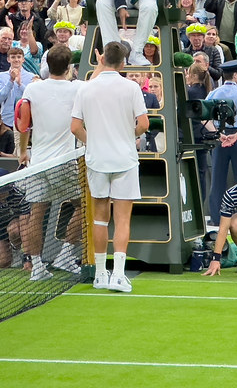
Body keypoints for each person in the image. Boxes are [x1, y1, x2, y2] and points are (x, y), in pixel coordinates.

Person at [71, 41, 148, 293]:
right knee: (122, 220)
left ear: (102, 59)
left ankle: (101, 275)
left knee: (100, 220)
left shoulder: (86, 89)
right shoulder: (131, 87)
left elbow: (75, 127)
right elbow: (144, 124)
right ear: (123, 62)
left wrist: (93, 142)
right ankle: (117, 275)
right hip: (124, 159)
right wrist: (128, 136)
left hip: (97, 160)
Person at [16, 45, 83, 280]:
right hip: (63, 162)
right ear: (68, 68)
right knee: (85, 205)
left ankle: (37, 267)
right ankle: (65, 255)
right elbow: (99, 79)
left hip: (38, 163)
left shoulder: (33, 89)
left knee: (37, 213)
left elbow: (24, 125)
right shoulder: (77, 88)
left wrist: (23, 152)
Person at [204, 60, 237, 226]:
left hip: (220, 138)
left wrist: (218, 134)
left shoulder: (214, 93)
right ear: (236, 75)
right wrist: (236, 136)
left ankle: (216, 217)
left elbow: (203, 118)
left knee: (217, 179)